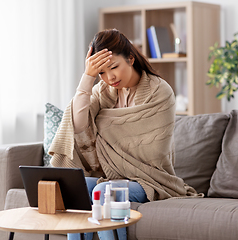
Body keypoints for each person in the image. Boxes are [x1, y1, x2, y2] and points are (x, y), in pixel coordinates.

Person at [48, 29, 202, 240]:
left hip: (151, 180)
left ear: (130, 58)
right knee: (75, 187)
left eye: (113, 67)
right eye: (101, 72)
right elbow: (78, 124)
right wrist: (87, 77)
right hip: (111, 178)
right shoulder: (103, 91)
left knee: (106, 192)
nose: (109, 77)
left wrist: (104, 124)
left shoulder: (160, 91)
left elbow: (154, 151)